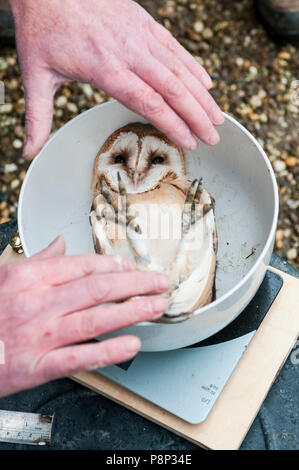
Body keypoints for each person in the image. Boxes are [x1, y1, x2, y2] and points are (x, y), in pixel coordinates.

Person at [0, 0, 223, 398]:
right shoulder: (105, 206)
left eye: (156, 160)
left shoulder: (187, 194)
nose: (138, 174)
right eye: (120, 159)